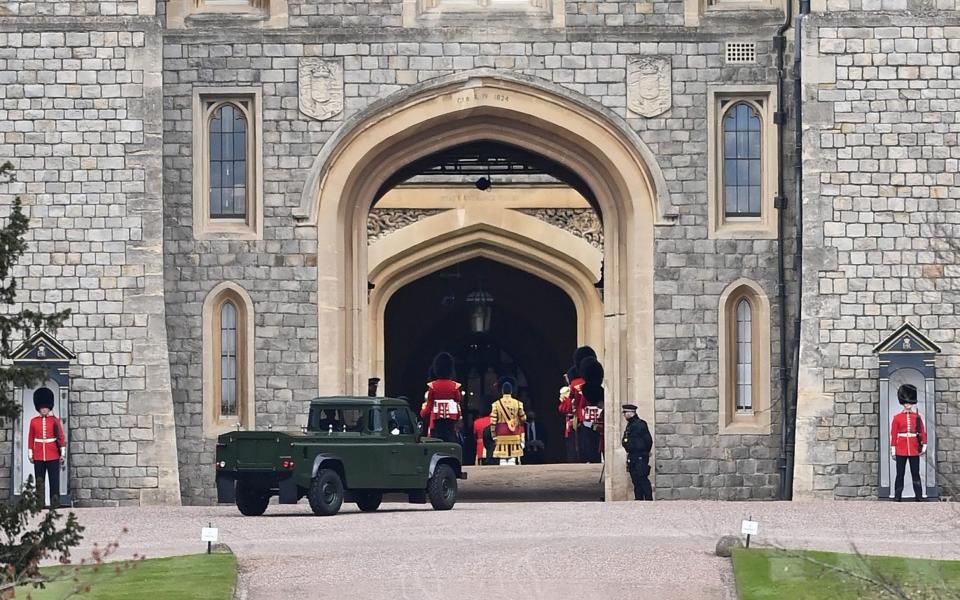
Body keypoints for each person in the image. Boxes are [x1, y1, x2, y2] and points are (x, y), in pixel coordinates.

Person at [27, 388, 66, 508]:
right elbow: (31, 437)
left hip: (53, 454)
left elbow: (60, 437)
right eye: (42, 407)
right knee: (40, 481)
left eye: (46, 407)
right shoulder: (33, 421)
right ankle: (40, 504)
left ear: (49, 408)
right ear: (39, 408)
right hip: (38, 454)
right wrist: (30, 453)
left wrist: (62, 454)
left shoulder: (55, 420)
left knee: (54, 481)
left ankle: (55, 504)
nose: (44, 409)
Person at [558, 346, 596, 463]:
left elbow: (566, 407)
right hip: (594, 415)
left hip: (580, 416)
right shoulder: (591, 383)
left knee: (579, 442)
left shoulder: (575, 384)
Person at [890, 383, 927, 502]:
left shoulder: (917, 416)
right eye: (906, 402)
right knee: (900, 474)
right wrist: (893, 449)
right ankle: (897, 496)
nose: (907, 404)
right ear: (902, 402)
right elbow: (894, 434)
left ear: (912, 403)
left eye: (909, 402)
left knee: (915, 473)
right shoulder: (897, 417)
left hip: (914, 447)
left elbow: (922, 431)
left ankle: (919, 496)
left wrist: (924, 445)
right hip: (901, 448)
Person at [420, 352, 462, 443]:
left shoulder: (433, 386)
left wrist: (422, 413)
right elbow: (458, 406)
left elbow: (428, 408)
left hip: (435, 425)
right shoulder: (455, 386)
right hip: (451, 424)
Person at [490, 377, 527, 465]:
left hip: (501, 433)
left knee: (502, 458)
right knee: (513, 457)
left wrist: (494, 435)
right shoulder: (518, 403)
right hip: (514, 433)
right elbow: (524, 418)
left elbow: (493, 422)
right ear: (511, 391)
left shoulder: (496, 404)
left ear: (502, 391)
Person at [621, 403, 653, 501]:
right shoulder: (630, 425)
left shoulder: (640, 424)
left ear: (631, 413)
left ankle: (648, 498)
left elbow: (648, 441)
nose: (624, 415)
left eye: (625, 412)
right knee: (635, 479)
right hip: (632, 455)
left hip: (640, 455)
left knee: (642, 477)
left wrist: (644, 452)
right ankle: (638, 498)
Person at [578, 356, 604, 463]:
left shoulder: (584, 389)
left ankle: (591, 457)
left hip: (590, 418)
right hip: (597, 417)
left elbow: (581, 405)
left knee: (590, 439)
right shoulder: (598, 390)